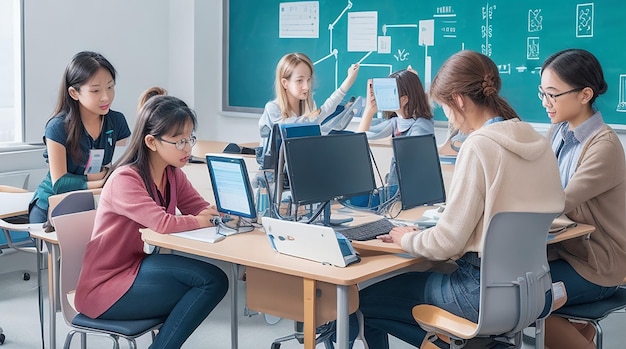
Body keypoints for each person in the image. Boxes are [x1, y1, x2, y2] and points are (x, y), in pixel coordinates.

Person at [354, 50, 565, 348]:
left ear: (459, 100)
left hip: (478, 294)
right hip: (534, 289)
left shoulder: (479, 146)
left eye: (445, 108)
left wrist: (406, 239)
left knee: (362, 300)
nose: (450, 118)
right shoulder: (537, 140)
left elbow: (447, 243)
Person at [74, 94, 229, 348]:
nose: (188, 148)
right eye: (179, 141)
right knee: (211, 282)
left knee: (213, 280)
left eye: (190, 138)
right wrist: (203, 220)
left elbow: (199, 208)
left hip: (136, 268)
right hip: (105, 286)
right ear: (151, 142)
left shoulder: (172, 174)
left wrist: (225, 215)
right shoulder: (125, 178)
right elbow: (163, 223)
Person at [540, 49, 626, 349]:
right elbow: (535, 182)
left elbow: (557, 201)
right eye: (542, 93)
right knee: (508, 287)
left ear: (585, 94)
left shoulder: (604, 146)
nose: (545, 103)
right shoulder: (558, 132)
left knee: (522, 302)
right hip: (566, 253)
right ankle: (579, 336)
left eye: (552, 95)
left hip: (598, 265)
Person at [29, 51, 131, 223]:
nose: (106, 96)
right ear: (74, 93)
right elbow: (60, 183)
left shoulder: (117, 121)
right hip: (53, 207)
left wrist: (104, 179)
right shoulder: (57, 127)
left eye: (110, 87)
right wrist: (99, 181)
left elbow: (118, 169)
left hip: (95, 205)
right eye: (95, 90)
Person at [346, 67, 434, 210]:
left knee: (358, 202)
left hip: (408, 197)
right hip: (394, 192)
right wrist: (368, 111)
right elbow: (359, 138)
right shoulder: (397, 122)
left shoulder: (421, 126)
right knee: (354, 199)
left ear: (404, 99)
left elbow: (414, 169)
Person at [258, 52, 360, 152]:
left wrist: (349, 80)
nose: (307, 87)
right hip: (279, 168)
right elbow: (304, 124)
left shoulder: (309, 106)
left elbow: (323, 113)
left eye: (309, 80)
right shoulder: (273, 109)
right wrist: (318, 116)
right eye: (299, 81)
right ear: (285, 83)